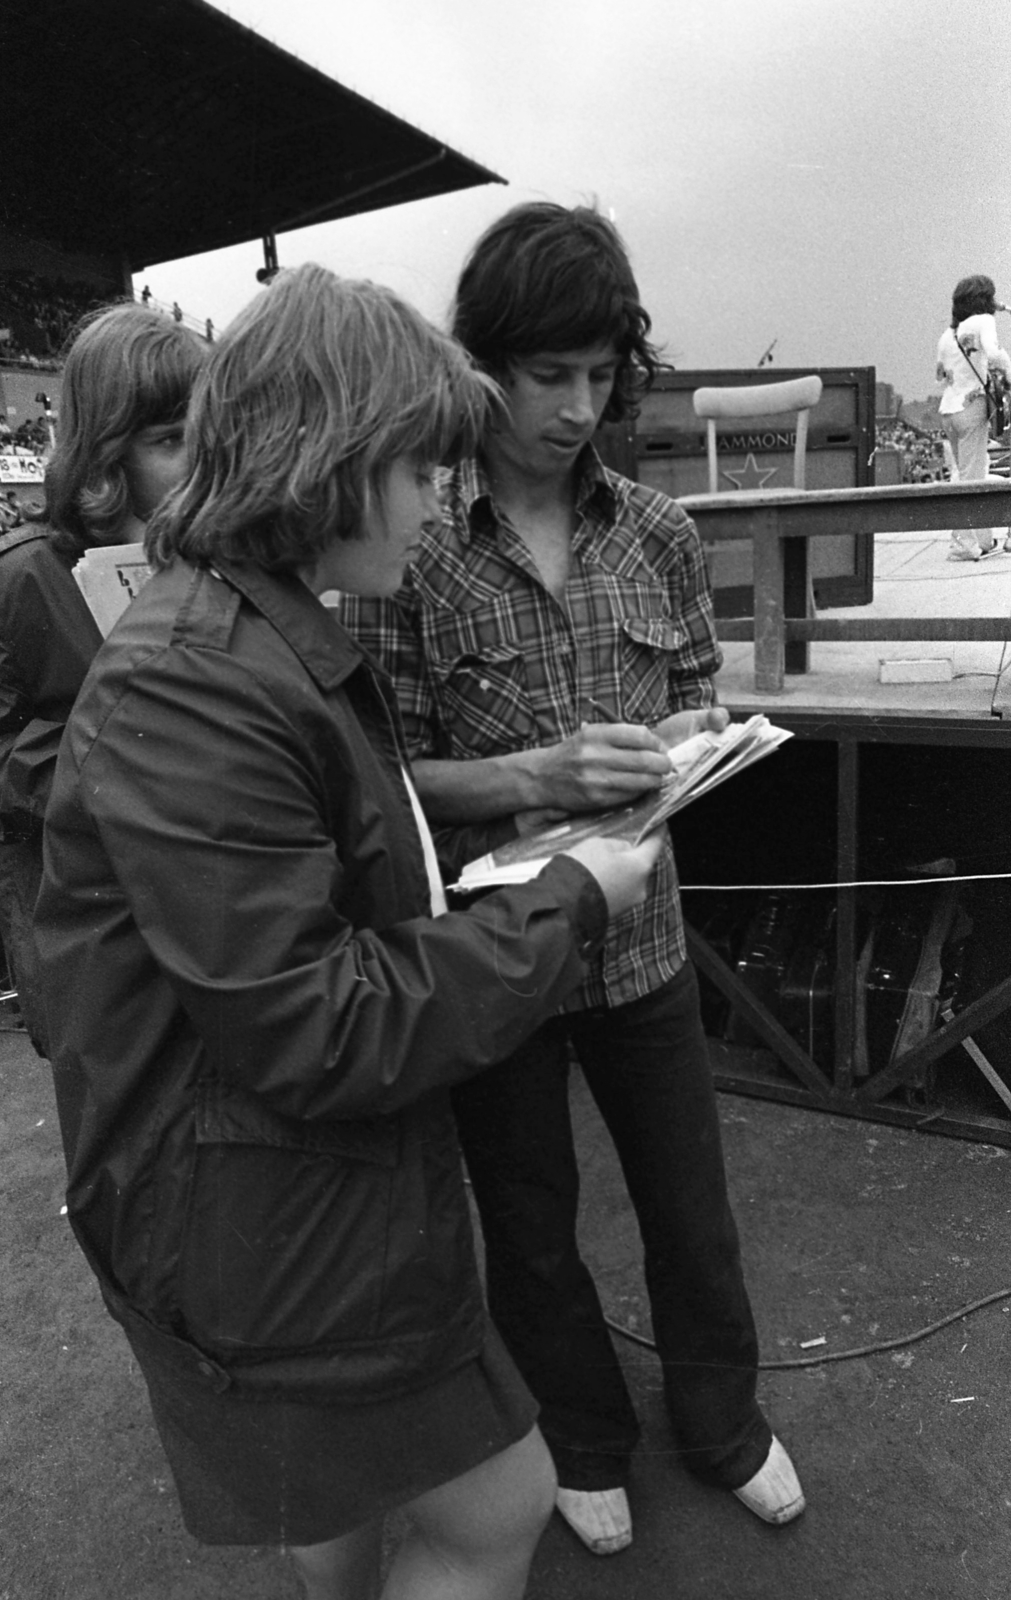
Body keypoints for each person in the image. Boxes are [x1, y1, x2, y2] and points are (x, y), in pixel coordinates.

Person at [34, 263, 663, 1600]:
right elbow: (319, 1021)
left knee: (335, 1509)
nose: (438, 504)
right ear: (327, 460)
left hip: (279, 1190)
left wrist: (520, 834)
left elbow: (332, 866)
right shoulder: (199, 681)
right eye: (420, 470)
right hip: (261, 1209)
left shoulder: (249, 635)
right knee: (500, 1504)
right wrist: (565, 899)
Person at [341, 203, 805, 1557]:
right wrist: (544, 776)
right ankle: (583, 1436)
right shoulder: (411, 541)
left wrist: (684, 749)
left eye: (600, 375)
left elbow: (701, 702)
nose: (575, 406)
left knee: (690, 1207)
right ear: (478, 363)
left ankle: (722, 1422)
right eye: (547, 374)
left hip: (645, 938)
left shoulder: (656, 529)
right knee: (530, 1223)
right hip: (496, 953)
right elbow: (382, 785)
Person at [0, 302, 204, 1055]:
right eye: (172, 440)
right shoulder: (16, 580)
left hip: (215, 915)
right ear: (106, 448)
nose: (200, 464)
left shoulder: (224, 559)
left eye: (210, 438)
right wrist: (111, 762)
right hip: (93, 934)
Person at [935, 274, 1011, 560]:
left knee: (968, 473)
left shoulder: (947, 334)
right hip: (972, 407)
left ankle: (982, 537)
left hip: (949, 410)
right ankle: (963, 544)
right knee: (971, 480)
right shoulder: (984, 322)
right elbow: (995, 354)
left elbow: (940, 373)